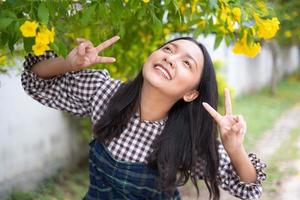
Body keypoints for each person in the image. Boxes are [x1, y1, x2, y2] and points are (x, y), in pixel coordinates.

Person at [21, 35, 266, 200]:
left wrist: (234, 149)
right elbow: (36, 83)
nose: (170, 58)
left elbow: (249, 190)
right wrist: (67, 63)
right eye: (168, 49)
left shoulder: (186, 141)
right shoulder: (102, 93)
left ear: (191, 93)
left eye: (186, 63)